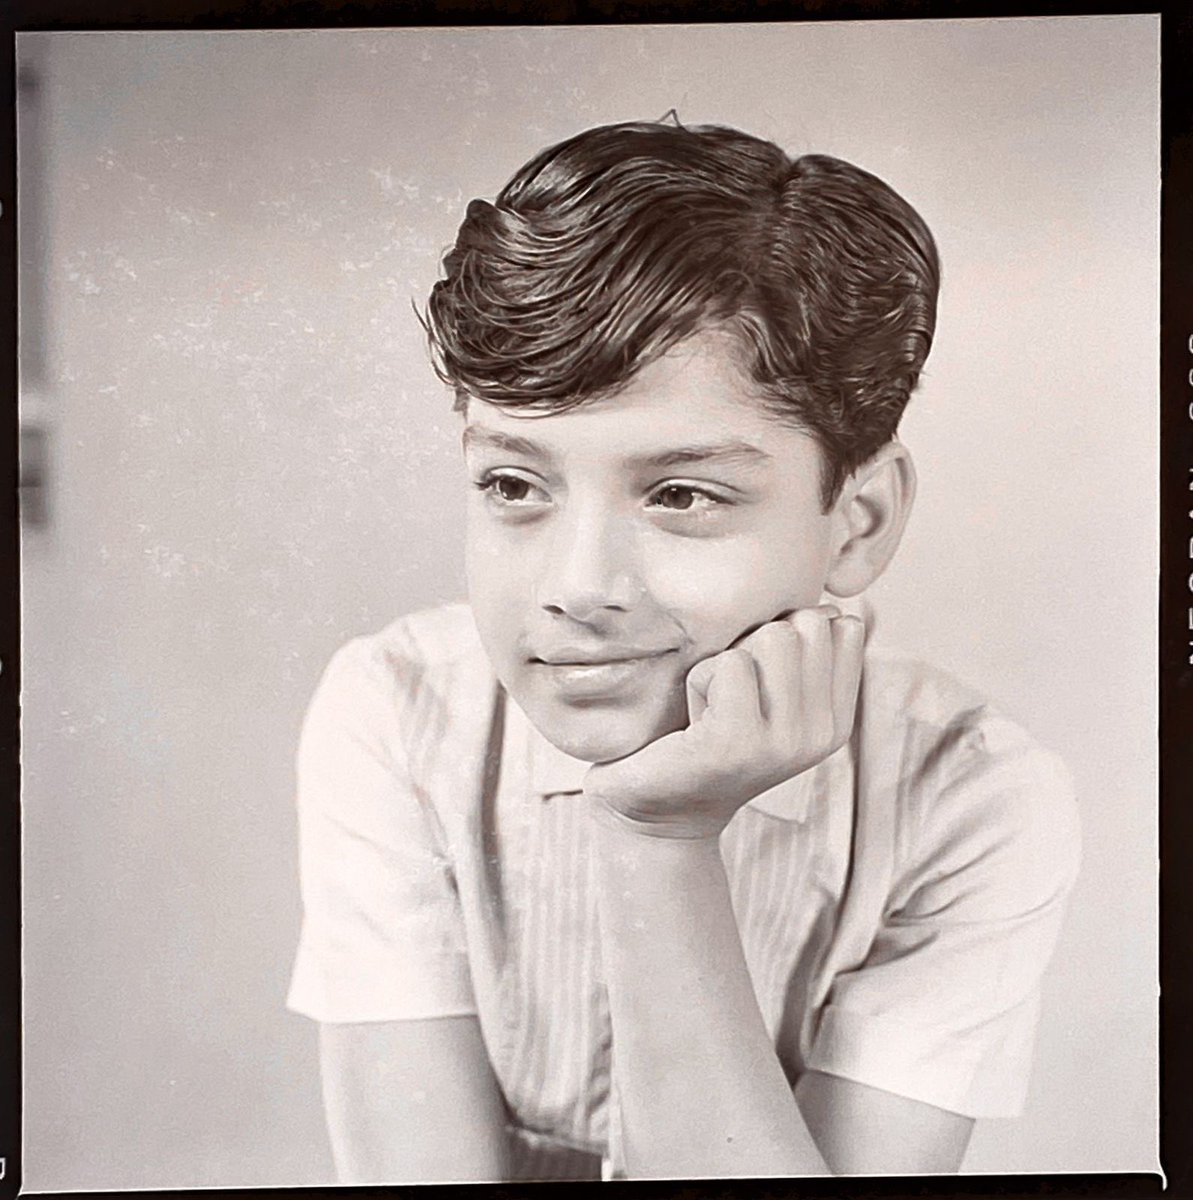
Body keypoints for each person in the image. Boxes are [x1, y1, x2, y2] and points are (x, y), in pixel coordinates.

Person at [285, 118, 1081, 1182]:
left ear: (859, 521)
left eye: (679, 495)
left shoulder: (968, 799)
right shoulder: (395, 711)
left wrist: (657, 838)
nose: (575, 587)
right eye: (513, 485)